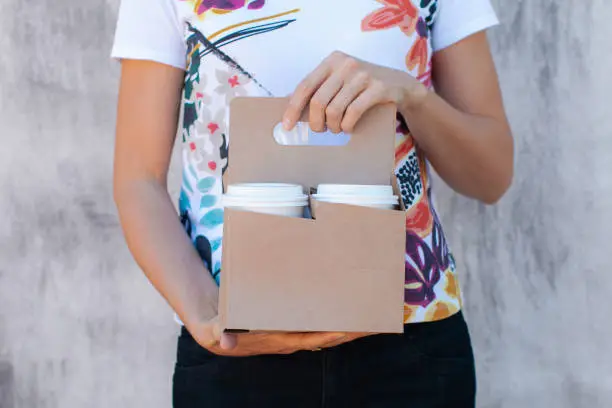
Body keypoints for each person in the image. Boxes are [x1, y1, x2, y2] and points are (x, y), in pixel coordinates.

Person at [111, 0, 513, 406]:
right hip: (237, 347)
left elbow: (491, 176)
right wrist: (204, 313)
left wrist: (412, 97)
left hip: (410, 349)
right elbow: (138, 179)